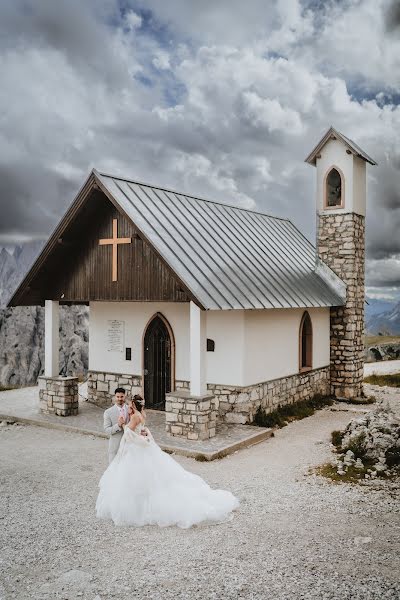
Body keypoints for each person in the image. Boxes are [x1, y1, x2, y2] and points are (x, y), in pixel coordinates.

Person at [96, 395, 239, 528]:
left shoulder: (134, 417)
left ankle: (140, 508)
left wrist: (122, 425)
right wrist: (144, 436)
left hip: (136, 449)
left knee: (137, 477)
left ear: (133, 404)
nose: (128, 406)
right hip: (144, 447)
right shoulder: (142, 415)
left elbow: (129, 433)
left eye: (130, 404)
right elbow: (143, 430)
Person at [103, 387, 130, 464]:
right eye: (117, 397)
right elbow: (107, 430)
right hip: (115, 448)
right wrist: (118, 425)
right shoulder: (108, 412)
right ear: (115, 397)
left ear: (125, 396)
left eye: (122, 396)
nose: (119, 399)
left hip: (128, 447)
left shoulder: (130, 409)